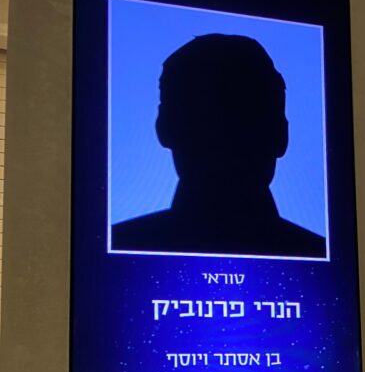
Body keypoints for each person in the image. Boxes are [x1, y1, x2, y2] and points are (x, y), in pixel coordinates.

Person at [112, 34, 326, 258]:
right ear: (282, 134)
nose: (227, 139)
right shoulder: (321, 254)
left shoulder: (119, 245)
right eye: (208, 120)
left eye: (242, 119)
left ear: (164, 127)